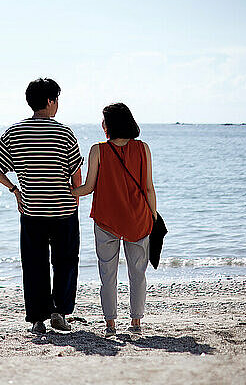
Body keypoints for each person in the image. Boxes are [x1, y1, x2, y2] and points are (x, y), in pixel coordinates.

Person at [0, 78, 83, 334]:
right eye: (57, 100)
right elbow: (76, 175)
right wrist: (77, 200)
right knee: (65, 262)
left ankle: (38, 320)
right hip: (64, 210)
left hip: (31, 211)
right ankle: (59, 313)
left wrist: (14, 190)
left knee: (34, 264)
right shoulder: (64, 133)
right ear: (50, 101)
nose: (57, 105)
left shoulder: (14, 133)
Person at [72, 103, 156, 338]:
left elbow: (88, 188)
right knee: (137, 273)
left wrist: (68, 190)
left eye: (103, 120)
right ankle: (136, 322)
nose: (102, 124)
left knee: (107, 274)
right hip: (138, 218)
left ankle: (110, 325)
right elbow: (148, 188)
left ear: (108, 125)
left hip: (106, 218)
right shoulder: (143, 148)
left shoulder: (98, 150)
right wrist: (154, 215)